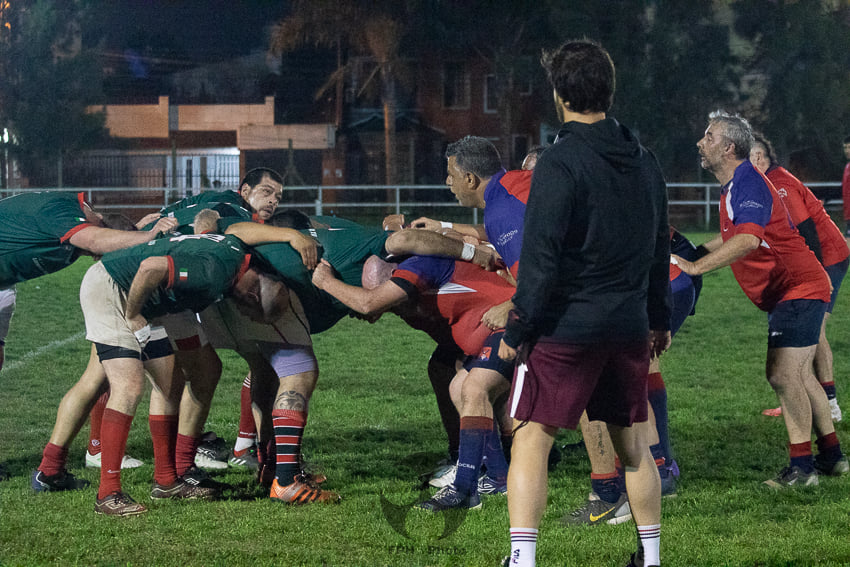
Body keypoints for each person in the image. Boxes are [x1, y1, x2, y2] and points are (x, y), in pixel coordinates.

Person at [498, 40, 671, 567]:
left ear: (559, 95)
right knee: (635, 444)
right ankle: (652, 556)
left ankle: (523, 560)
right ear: (609, 91)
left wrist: (517, 328)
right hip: (627, 325)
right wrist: (657, 319)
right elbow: (658, 246)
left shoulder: (559, 161)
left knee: (531, 436)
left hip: (566, 327)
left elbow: (542, 257)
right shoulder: (646, 162)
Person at [673, 111, 847, 490]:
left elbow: (748, 239)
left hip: (797, 287)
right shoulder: (736, 185)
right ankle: (832, 457)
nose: (701, 142)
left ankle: (802, 470)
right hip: (794, 287)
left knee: (782, 374)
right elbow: (736, 233)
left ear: (728, 147)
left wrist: (696, 267)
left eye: (709, 135)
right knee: (800, 374)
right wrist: (694, 249)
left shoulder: (748, 182)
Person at [76, 230, 293, 516]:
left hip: (158, 300)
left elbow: (218, 225)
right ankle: (108, 492)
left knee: (188, 376)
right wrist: (133, 315)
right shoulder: (214, 273)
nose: (247, 317)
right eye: (253, 313)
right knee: (128, 385)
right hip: (118, 289)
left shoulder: (237, 256)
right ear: (252, 294)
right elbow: (150, 268)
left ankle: (167, 480)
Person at [312, 251, 517, 511]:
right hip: (493, 332)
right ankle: (499, 477)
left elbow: (369, 303)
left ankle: (465, 488)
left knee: (474, 389)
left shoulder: (420, 267)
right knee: (458, 388)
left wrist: (325, 281)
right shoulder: (410, 298)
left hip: (511, 322)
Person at [0, 191, 177, 483]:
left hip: (5, 284)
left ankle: (52, 468)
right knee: (126, 383)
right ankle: (121, 480)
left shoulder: (73, 235)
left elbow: (100, 241)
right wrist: (150, 235)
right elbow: (96, 240)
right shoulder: (62, 208)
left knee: (98, 379)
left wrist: (135, 230)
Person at [750, 133, 848, 423]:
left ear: (764, 157)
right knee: (804, 331)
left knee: (813, 329)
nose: (750, 162)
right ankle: (800, 395)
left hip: (828, 257)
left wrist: (817, 275)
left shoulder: (779, 185)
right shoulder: (763, 183)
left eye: (755, 156)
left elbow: (808, 232)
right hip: (813, 260)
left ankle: (829, 403)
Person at [841, 135, 850, 236]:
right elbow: (843, 188)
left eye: (849, 147)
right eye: (845, 147)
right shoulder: (847, 167)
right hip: (848, 215)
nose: (847, 150)